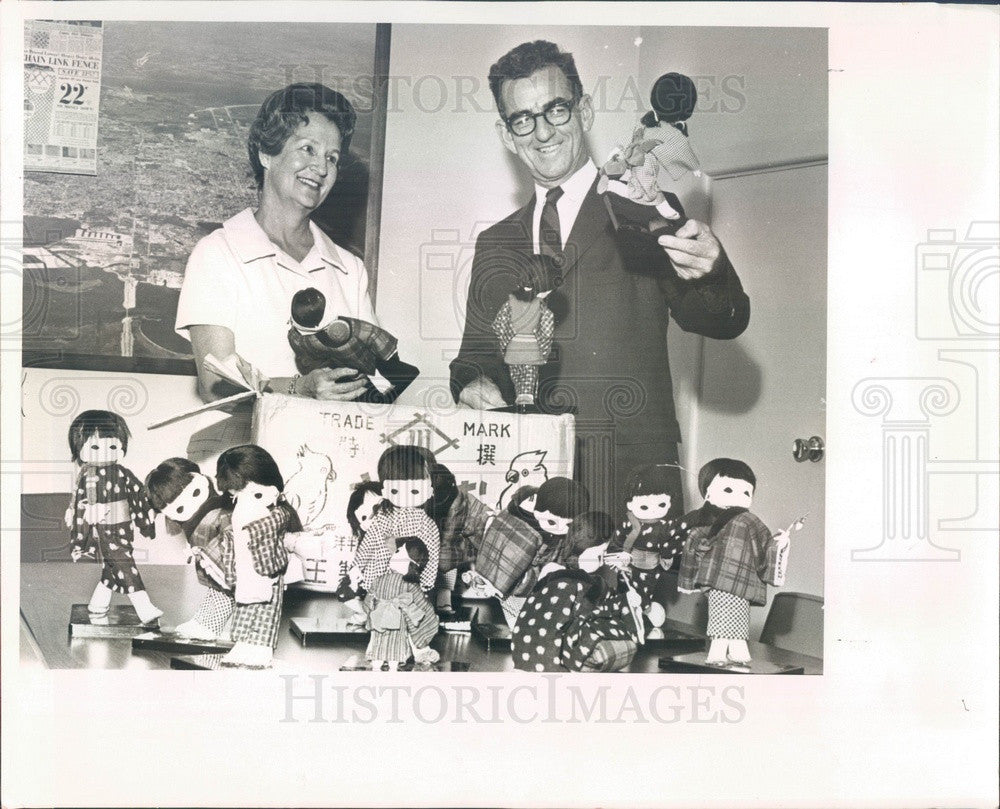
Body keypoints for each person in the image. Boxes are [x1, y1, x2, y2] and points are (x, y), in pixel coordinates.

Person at [449, 41, 750, 516]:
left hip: (632, 482)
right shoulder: (495, 243)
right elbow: (473, 358)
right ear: (508, 135)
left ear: (584, 111)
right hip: (529, 488)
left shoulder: (644, 206)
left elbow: (717, 319)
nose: (542, 132)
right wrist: (472, 384)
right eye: (523, 118)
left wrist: (712, 269)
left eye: (557, 110)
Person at [176, 82, 378, 408]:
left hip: (325, 452)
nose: (322, 168)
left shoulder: (349, 270)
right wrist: (300, 389)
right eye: (308, 149)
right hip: (241, 452)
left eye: (332, 157)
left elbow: (374, 380)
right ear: (267, 152)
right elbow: (216, 384)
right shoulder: (218, 253)